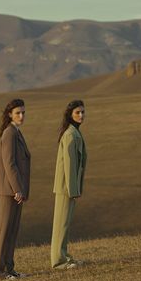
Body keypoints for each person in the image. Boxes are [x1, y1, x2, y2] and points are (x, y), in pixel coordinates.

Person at [0, 99, 31, 280]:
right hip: (10, 191)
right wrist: (17, 189)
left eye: (23, 112)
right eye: (18, 113)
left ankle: (9, 269)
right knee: (3, 231)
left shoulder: (16, 132)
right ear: (10, 114)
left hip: (16, 191)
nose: (21, 116)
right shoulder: (9, 133)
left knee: (12, 230)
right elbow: (10, 164)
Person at [51, 100, 87, 269]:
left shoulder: (74, 132)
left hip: (69, 187)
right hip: (66, 187)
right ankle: (58, 261)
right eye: (77, 112)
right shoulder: (70, 135)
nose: (81, 115)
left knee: (65, 223)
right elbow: (70, 164)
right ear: (70, 114)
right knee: (61, 224)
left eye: (82, 112)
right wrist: (74, 189)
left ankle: (64, 257)